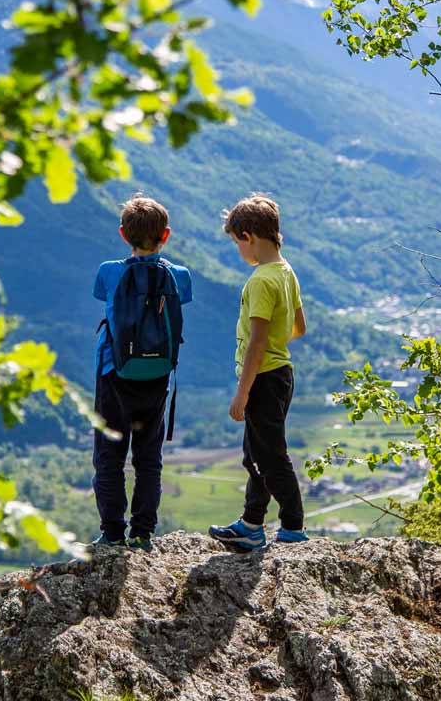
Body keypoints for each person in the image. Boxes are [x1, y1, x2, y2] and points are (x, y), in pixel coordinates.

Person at [91, 194, 192, 552]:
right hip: (158, 376)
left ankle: (112, 533)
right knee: (148, 458)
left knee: (109, 456)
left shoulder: (109, 271)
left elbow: (102, 295)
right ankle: (143, 533)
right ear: (166, 235)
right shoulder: (179, 276)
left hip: (113, 373)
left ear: (123, 234)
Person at [208, 194, 309, 551]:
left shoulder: (260, 281)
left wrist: (242, 392)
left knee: (270, 457)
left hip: (263, 377)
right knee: (255, 456)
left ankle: (293, 526)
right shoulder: (286, 272)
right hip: (281, 372)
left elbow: (256, 344)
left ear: (248, 236)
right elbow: (299, 326)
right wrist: (278, 345)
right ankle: (252, 523)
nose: (238, 250)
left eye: (237, 242)